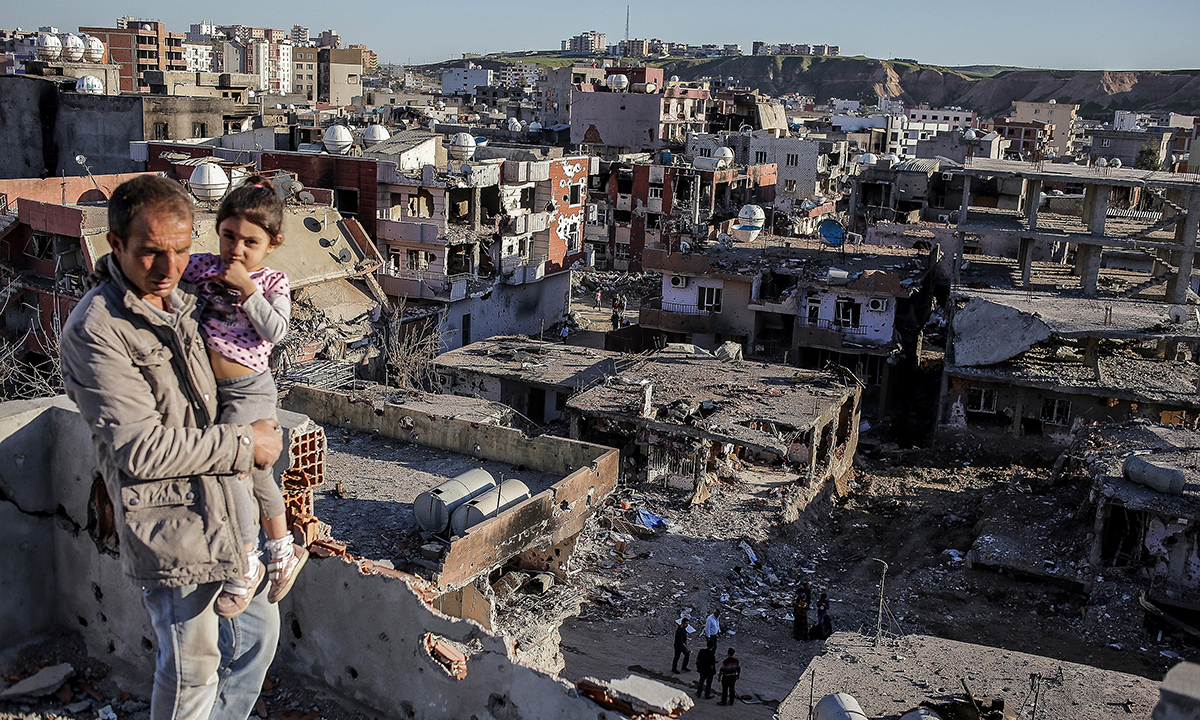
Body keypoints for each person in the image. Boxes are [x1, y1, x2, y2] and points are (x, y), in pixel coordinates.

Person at [60, 175, 284, 720]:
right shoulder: (98, 330)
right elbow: (139, 450)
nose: (168, 267)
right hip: (172, 525)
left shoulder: (178, 297)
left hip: (225, 512)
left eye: (181, 251)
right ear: (115, 245)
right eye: (151, 253)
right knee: (192, 670)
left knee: (255, 640)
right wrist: (243, 442)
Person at [181, 177, 307, 617]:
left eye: (250, 241)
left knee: (234, 468)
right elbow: (162, 276)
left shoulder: (272, 281)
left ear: (271, 244)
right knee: (256, 475)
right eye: (228, 236)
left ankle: (245, 562)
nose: (236, 249)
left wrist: (247, 289)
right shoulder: (202, 267)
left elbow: (277, 331)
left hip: (250, 389)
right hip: (209, 390)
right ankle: (282, 550)